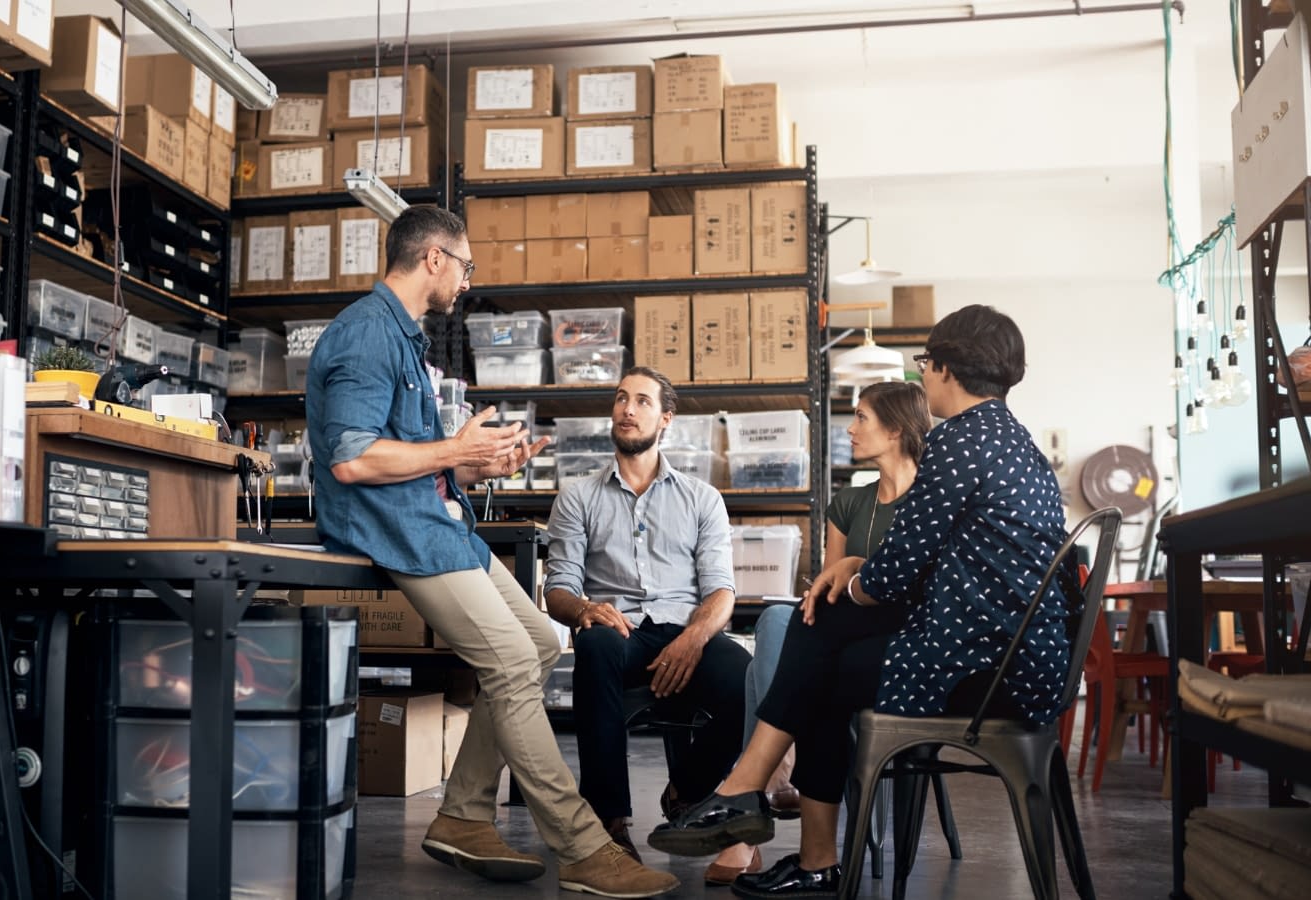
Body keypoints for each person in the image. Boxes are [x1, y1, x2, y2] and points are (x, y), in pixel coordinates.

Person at [305, 207, 679, 898]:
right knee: (509, 659)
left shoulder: (404, 338)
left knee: (537, 643)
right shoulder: (364, 334)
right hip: (399, 531)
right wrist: (455, 449)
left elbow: (409, 458)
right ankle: (583, 846)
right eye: (467, 266)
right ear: (435, 259)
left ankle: (463, 816)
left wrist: (478, 466)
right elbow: (353, 460)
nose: (468, 283)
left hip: (436, 522)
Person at [647, 305, 1069, 899]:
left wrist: (847, 578)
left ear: (945, 368)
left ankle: (753, 795)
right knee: (825, 649)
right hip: (1018, 659)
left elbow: (894, 576)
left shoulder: (959, 440)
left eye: (926, 364)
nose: (924, 376)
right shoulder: (1013, 440)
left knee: (820, 627)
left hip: (987, 671)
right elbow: (923, 566)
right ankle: (782, 824)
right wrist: (854, 572)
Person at [543, 366, 754, 882]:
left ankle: (686, 788)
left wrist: (693, 639)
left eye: (641, 401)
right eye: (620, 399)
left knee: (748, 679)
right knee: (593, 647)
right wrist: (583, 610)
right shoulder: (578, 496)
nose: (626, 409)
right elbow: (558, 588)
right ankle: (609, 824)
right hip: (619, 632)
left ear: (666, 419)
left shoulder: (702, 498)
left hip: (688, 629)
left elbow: (722, 591)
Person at [734, 380, 934, 861]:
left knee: (762, 672)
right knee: (777, 622)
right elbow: (827, 596)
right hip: (841, 634)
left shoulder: (932, 500)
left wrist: (857, 571)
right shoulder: (849, 502)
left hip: (896, 646)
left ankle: (758, 790)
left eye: (862, 417)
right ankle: (768, 780)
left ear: (897, 429)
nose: (850, 429)